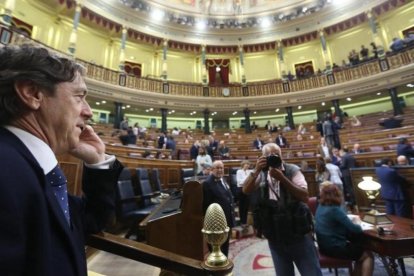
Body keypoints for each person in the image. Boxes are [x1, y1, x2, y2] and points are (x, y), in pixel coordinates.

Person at [0, 45, 124, 275]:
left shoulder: (29, 166)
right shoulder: (5, 171)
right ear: (33, 93)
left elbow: (91, 222)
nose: (89, 112)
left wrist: (98, 162)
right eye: (79, 97)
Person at [242, 143, 322, 276]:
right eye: (269, 156)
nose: (273, 158)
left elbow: (304, 196)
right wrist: (256, 170)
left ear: (281, 155)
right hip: (275, 234)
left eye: (276, 155)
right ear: (263, 157)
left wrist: (282, 178)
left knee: (311, 272)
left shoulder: (292, 170)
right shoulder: (261, 173)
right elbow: (246, 190)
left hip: (298, 233)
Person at [315, 183, 374, 276]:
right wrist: (358, 223)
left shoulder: (320, 206)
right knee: (368, 256)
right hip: (335, 247)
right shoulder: (334, 209)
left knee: (359, 254)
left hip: (323, 247)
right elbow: (356, 230)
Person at [202, 160, 235, 256]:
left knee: (225, 245)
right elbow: (206, 206)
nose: (220, 170)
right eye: (217, 168)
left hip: (227, 219)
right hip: (217, 222)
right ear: (212, 169)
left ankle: (224, 262)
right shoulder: (207, 184)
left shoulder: (222, 179)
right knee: (217, 247)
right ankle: (217, 267)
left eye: (221, 168)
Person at [236, 160, 253, 226]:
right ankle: (241, 221)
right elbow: (239, 182)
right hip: (241, 190)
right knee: (241, 206)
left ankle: (245, 221)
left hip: (248, 190)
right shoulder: (239, 171)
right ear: (243, 165)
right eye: (246, 164)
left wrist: (246, 181)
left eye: (248, 164)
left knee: (246, 206)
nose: (247, 165)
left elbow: (251, 181)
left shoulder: (250, 172)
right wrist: (247, 180)